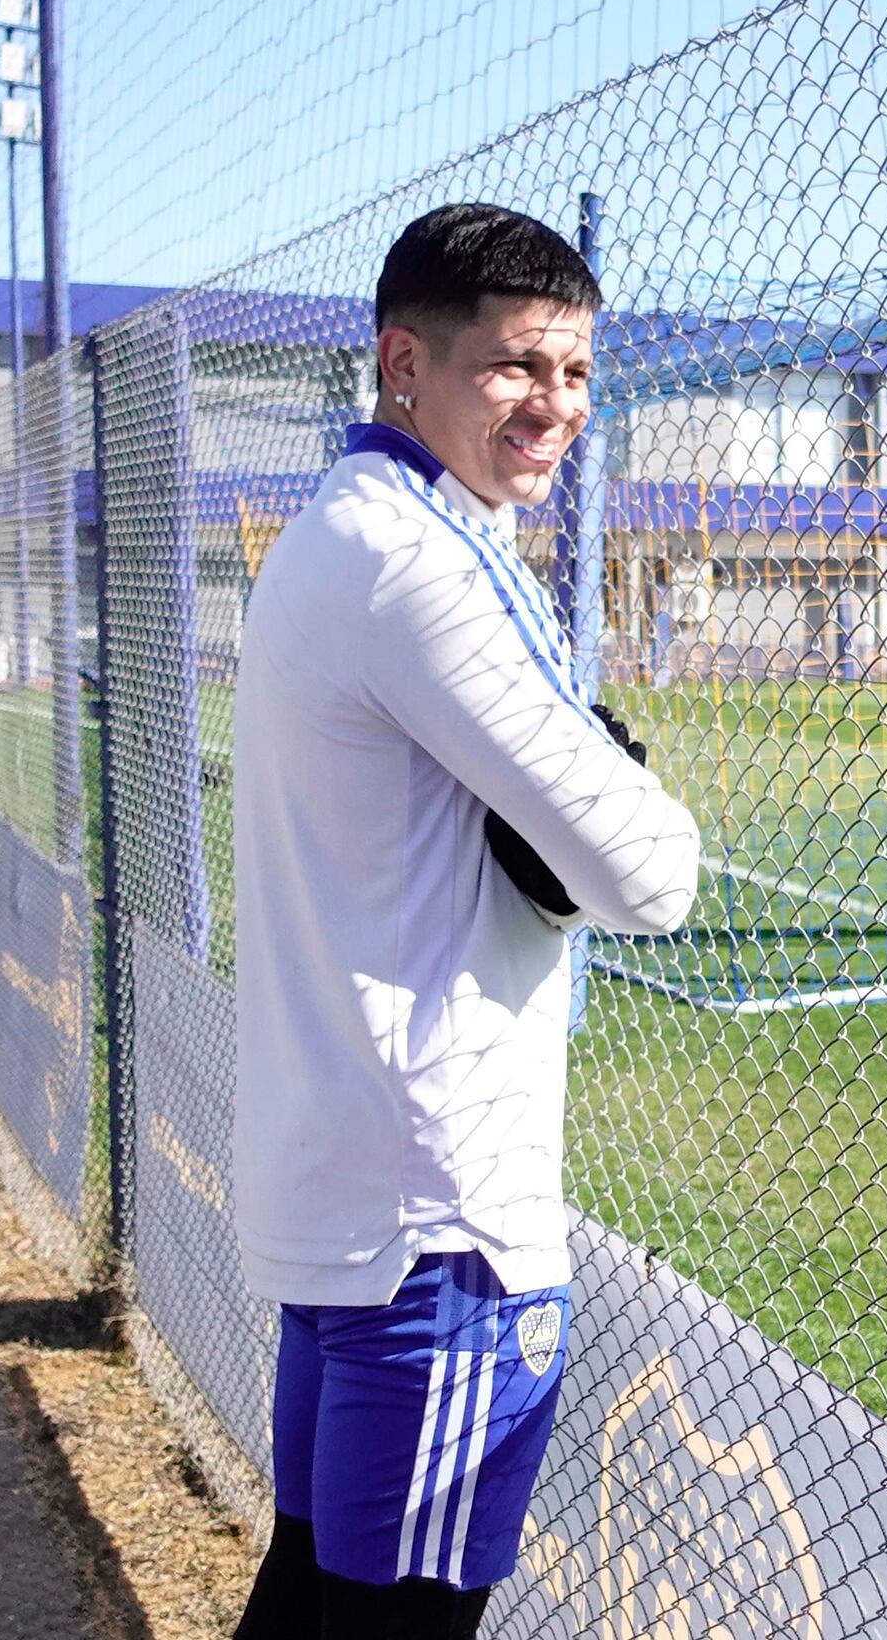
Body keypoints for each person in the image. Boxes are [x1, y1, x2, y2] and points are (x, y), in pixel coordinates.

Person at [228, 206, 702, 1640]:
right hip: (443, 1234)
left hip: (353, 1188)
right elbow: (652, 879)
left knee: (314, 1604)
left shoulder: (333, 530)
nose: (553, 405)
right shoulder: (427, 560)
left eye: (574, 372)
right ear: (402, 364)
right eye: (514, 367)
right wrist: (623, 785)